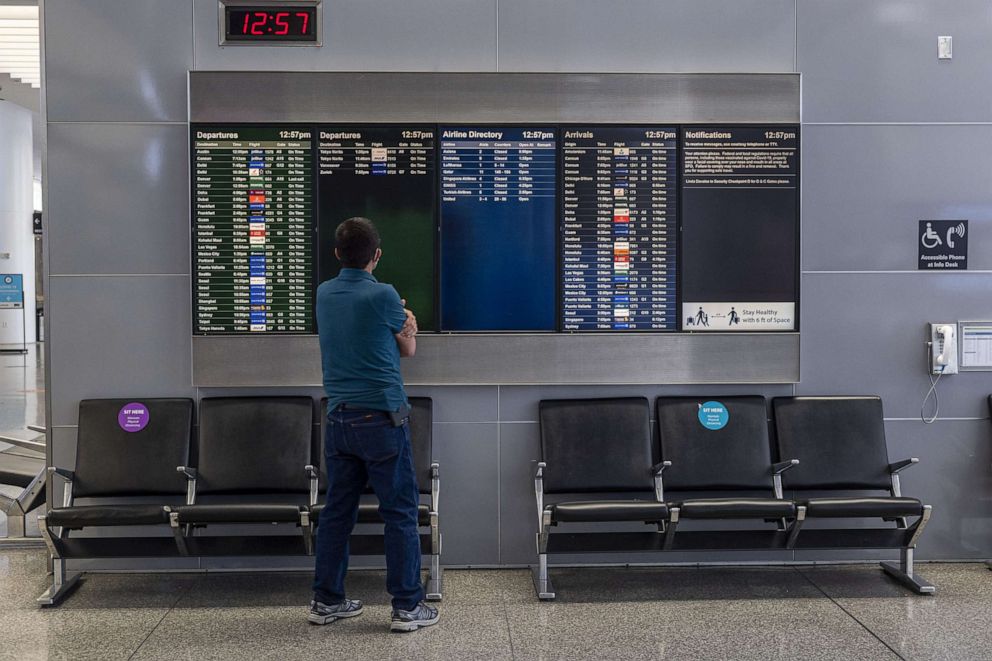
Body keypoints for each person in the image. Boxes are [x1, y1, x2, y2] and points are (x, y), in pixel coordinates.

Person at [308, 217, 439, 633]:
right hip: (381, 418)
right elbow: (409, 348)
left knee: (336, 513)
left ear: (336, 254)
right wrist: (410, 324)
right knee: (399, 513)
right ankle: (406, 606)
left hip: (339, 418)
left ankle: (327, 600)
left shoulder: (324, 293)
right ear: (376, 255)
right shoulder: (384, 294)